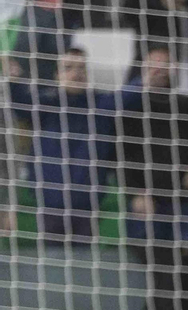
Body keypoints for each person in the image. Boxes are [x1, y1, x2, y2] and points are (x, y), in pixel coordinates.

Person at [117, 45, 188, 310]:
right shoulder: (130, 108)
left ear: (175, 70)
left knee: (185, 256)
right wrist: (135, 192)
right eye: (152, 66)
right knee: (157, 257)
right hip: (146, 199)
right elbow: (120, 153)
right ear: (143, 69)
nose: (158, 71)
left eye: (164, 66)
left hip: (183, 199)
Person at [6, 47, 115, 242]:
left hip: (87, 203)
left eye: (82, 68)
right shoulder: (46, 104)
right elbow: (21, 105)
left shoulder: (102, 104)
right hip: (49, 202)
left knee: (84, 264)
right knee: (53, 263)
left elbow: (129, 97)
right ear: (57, 75)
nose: (76, 73)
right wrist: (14, 80)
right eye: (69, 67)